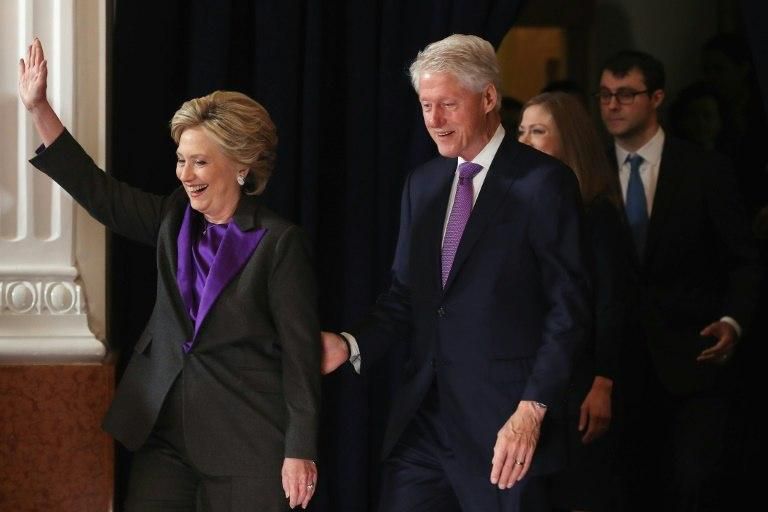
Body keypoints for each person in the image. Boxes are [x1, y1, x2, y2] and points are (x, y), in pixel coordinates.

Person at [19, 38, 320, 511]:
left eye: (200, 161)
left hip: (248, 442)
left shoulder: (279, 243)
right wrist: (39, 108)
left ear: (241, 166)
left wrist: (300, 448)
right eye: (181, 159)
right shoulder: (172, 220)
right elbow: (99, 192)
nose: (185, 173)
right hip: (164, 436)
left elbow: (301, 357)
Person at [321, 34, 591, 512]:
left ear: (488, 97)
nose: (434, 121)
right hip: (423, 423)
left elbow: (567, 308)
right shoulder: (422, 185)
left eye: (447, 104)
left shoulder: (542, 184)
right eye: (426, 105)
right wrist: (350, 343)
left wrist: (532, 410)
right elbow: (404, 296)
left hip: (505, 428)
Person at [596, 49, 762, 512]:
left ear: (657, 98)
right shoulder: (588, 174)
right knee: (627, 489)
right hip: (617, 365)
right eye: (606, 94)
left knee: (693, 485)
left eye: (626, 95)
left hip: (693, 358)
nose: (612, 105)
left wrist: (733, 319)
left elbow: (743, 259)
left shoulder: (704, 169)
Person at [518, 91, 629, 512]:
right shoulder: (520, 209)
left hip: (580, 381)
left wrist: (603, 380)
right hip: (533, 377)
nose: (524, 140)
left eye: (539, 131)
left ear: (568, 141)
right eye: (521, 130)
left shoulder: (595, 212)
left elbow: (610, 302)